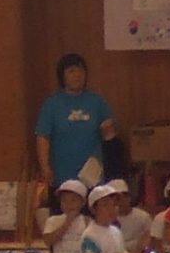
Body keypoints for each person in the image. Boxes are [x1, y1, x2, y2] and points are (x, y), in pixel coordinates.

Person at [33, 54, 117, 191]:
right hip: (62, 176)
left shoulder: (96, 101)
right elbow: (43, 137)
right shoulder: (52, 104)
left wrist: (108, 130)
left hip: (92, 176)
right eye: (71, 71)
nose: (77, 75)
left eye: (81, 71)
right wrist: (45, 167)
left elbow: (110, 136)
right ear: (62, 75)